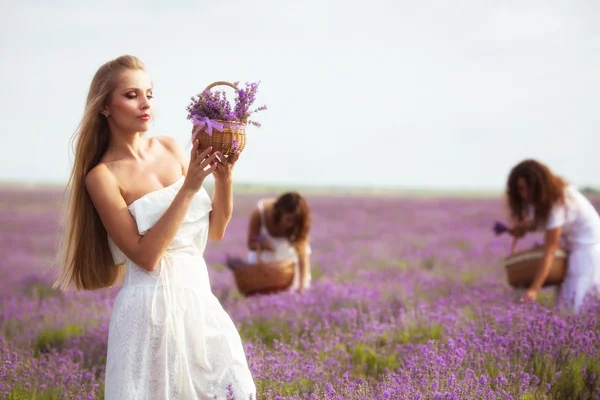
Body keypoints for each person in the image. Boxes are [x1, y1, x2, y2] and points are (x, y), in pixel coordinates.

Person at [54, 55, 256, 399]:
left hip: (198, 303)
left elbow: (215, 230)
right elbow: (146, 257)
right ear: (105, 107)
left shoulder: (170, 147)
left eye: (149, 93)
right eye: (131, 95)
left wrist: (225, 179)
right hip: (148, 312)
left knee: (232, 390)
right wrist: (189, 187)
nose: (145, 103)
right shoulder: (102, 177)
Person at [505, 159, 600, 313]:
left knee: (576, 306)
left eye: (525, 188)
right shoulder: (550, 199)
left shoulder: (558, 202)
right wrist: (523, 229)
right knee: (566, 306)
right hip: (575, 252)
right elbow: (539, 223)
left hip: (587, 254)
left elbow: (550, 249)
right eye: (519, 190)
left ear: (537, 186)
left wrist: (534, 289)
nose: (523, 194)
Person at [228, 192, 312, 293]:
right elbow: (251, 243)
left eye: (295, 221)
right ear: (279, 213)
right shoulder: (261, 213)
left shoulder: (300, 224)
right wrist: (263, 245)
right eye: (288, 219)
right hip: (263, 268)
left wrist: (302, 284)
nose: (291, 225)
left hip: (286, 268)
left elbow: (303, 254)